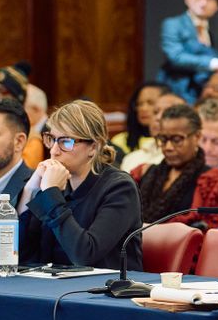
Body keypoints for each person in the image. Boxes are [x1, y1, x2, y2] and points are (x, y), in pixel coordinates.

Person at [19, 100, 141, 269]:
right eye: (51, 139)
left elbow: (84, 254)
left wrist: (51, 195)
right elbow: (21, 254)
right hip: (51, 286)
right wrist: (29, 191)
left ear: (93, 147)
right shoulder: (57, 183)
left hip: (101, 290)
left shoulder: (119, 188)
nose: (54, 150)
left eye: (66, 142)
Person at [136, 104, 218, 230]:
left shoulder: (215, 181)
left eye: (177, 139)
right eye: (163, 139)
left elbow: (213, 232)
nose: (168, 147)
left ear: (197, 137)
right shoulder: (144, 173)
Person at [111, 82, 168, 154]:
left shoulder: (169, 143)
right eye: (139, 104)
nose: (143, 109)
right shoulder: (119, 141)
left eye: (150, 103)